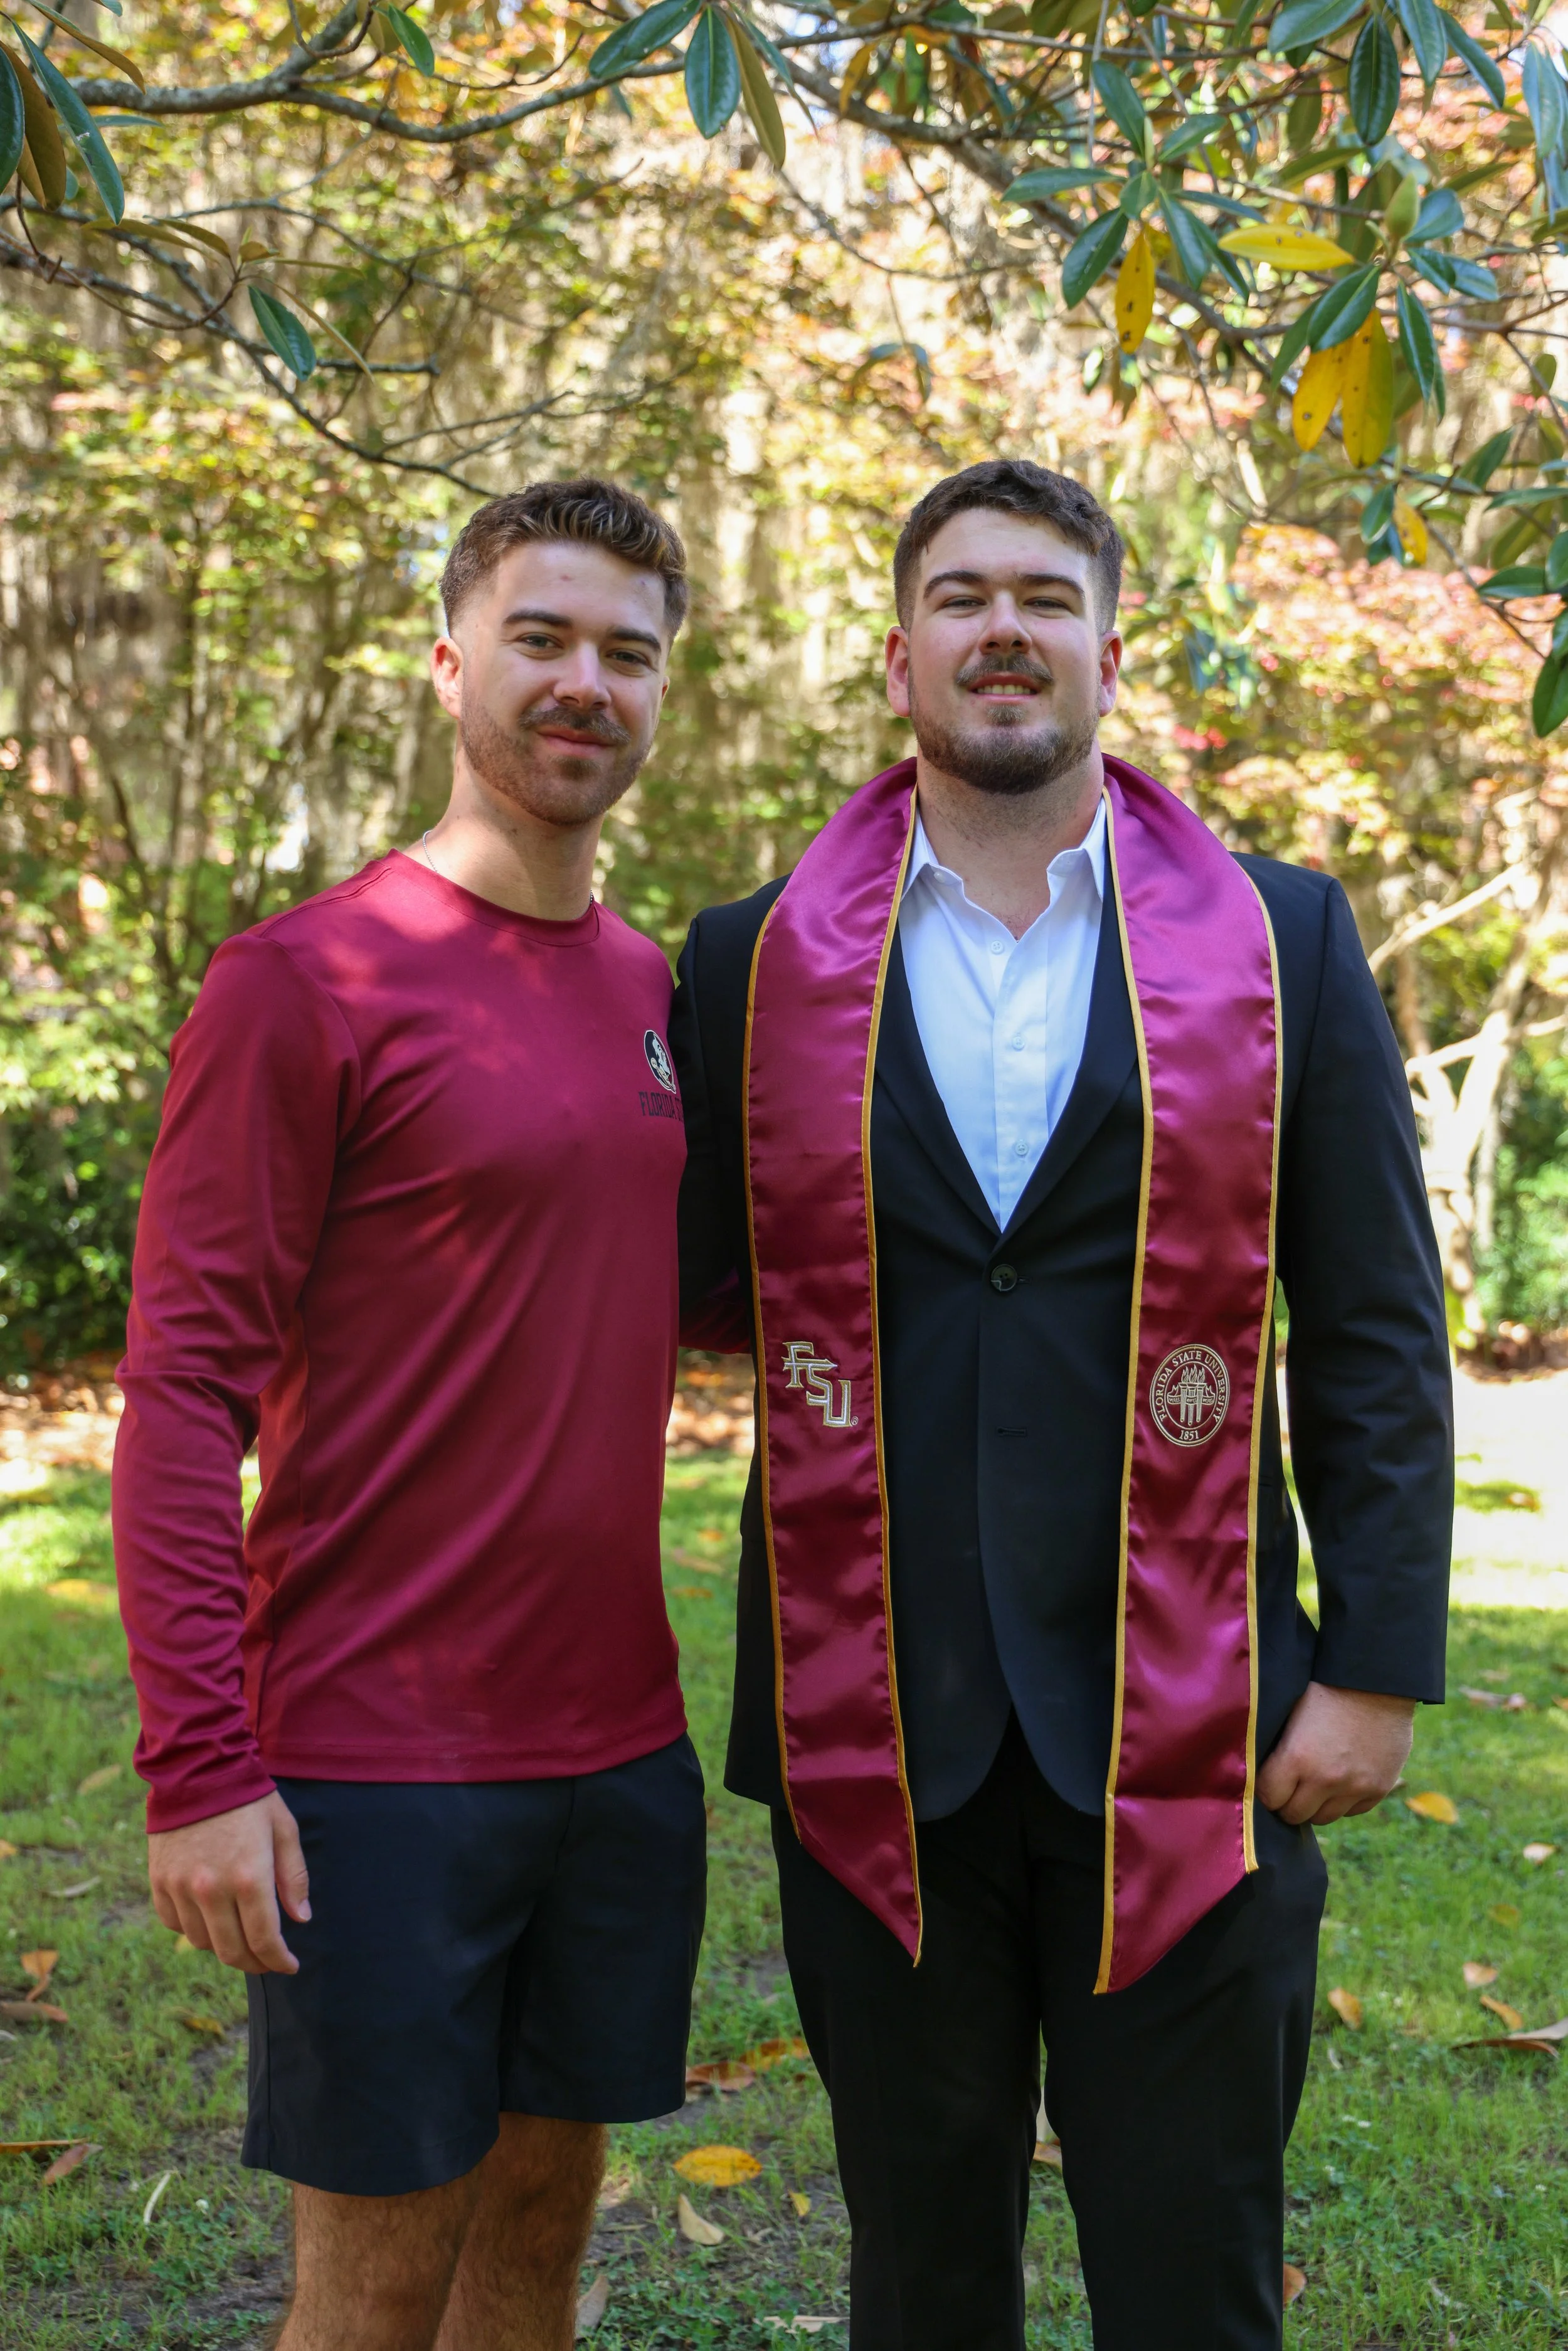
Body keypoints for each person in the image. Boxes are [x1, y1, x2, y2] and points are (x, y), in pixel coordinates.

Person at [670, 459, 1452, 2351]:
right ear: (896, 656)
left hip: (1192, 1727)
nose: (1000, 629)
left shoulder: (1279, 943)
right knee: (920, 2279)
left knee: (1190, 2271)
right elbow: (675, 1295)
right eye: (959, 596)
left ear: (1112, 647)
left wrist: (1372, 1661)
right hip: (873, 1729)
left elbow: (1367, 1322)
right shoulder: (749, 963)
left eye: (1040, 594)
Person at [113, 478, 706, 2351]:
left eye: (626, 650)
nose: (582, 683)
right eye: (541, 636)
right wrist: (201, 1764)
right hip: (376, 1757)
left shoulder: (653, 993)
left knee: (537, 2242)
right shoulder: (305, 979)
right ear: (452, 662)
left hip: (620, 1751)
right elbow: (185, 1390)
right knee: (371, 2296)